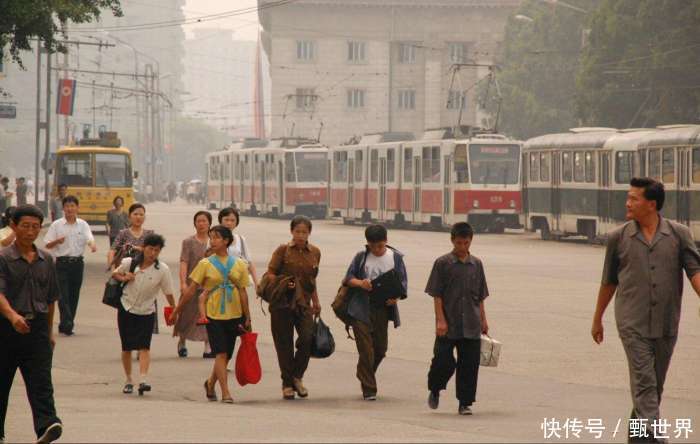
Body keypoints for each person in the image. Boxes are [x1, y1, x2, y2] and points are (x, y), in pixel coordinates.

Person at [592, 177, 700, 442]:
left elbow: (695, 273)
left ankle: (637, 439)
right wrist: (598, 319)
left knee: (653, 388)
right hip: (632, 324)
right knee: (645, 384)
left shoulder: (678, 234)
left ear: (651, 204)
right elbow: (609, 282)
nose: (627, 203)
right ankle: (658, 439)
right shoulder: (618, 238)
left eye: (633, 198)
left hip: (666, 323)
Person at [0, 205, 63, 443]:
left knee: (41, 381)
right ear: (14, 227)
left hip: (36, 329)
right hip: (6, 329)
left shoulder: (47, 260)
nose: (30, 231)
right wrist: (12, 316)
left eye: (35, 226)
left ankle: (48, 424)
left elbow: (50, 299)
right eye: (25, 226)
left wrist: (49, 331)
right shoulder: (3, 258)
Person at [172, 225, 251, 404]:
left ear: (226, 241)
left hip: (235, 313)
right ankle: (225, 392)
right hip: (213, 315)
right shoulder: (205, 263)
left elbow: (243, 291)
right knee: (221, 353)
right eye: (211, 237)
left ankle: (210, 383)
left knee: (226, 355)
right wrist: (177, 310)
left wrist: (248, 317)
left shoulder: (239, 264)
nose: (212, 241)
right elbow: (192, 290)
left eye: (216, 237)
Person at [425, 222, 490, 416]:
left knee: (469, 365)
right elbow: (437, 294)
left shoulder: (477, 264)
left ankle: (465, 402)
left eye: (466, 243)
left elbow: (480, 296)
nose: (463, 247)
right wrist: (440, 320)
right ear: (452, 240)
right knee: (442, 362)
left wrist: (483, 320)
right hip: (449, 323)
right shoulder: (442, 263)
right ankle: (435, 389)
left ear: (471, 241)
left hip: (471, 323)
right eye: (459, 243)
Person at [343, 224, 408, 401]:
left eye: (380, 246)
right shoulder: (361, 257)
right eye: (373, 246)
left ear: (386, 241)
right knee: (366, 350)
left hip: (383, 308)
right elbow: (348, 278)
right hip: (361, 308)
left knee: (380, 349)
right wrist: (360, 283)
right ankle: (369, 389)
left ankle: (364, 372)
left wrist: (397, 297)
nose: (377, 250)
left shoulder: (395, 257)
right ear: (368, 244)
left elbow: (402, 283)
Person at [112, 234, 175, 396]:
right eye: (150, 249)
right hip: (126, 308)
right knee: (126, 347)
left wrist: (174, 310)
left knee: (144, 347)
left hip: (147, 312)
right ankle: (128, 380)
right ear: (144, 247)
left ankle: (143, 380)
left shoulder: (162, 270)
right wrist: (125, 276)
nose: (152, 253)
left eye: (156, 250)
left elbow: (168, 292)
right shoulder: (129, 263)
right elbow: (115, 274)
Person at [266, 215, 321, 400]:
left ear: (309, 233)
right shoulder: (282, 250)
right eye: (297, 231)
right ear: (291, 232)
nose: (300, 235)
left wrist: (316, 301)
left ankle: (297, 376)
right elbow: (271, 275)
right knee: (284, 345)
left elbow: (312, 280)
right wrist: (285, 283)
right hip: (282, 304)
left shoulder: (315, 252)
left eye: (304, 232)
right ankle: (287, 384)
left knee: (307, 338)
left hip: (303, 304)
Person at [43, 196, 97, 336]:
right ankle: (67, 323)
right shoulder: (56, 225)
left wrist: (92, 245)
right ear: (63, 208)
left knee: (74, 295)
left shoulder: (83, 224)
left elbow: (89, 237)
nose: (70, 209)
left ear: (77, 208)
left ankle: (66, 323)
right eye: (67, 206)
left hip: (77, 264)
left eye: (73, 206)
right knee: (63, 295)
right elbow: (47, 244)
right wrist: (57, 241)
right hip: (61, 264)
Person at [174, 210, 213, 358]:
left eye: (204, 221)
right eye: (198, 221)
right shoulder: (188, 242)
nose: (201, 224)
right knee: (186, 314)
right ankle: (182, 341)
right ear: (195, 223)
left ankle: (208, 345)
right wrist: (183, 283)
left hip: (208, 285)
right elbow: (184, 262)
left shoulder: (214, 242)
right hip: (191, 284)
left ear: (210, 223)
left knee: (207, 315)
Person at [218, 207, 259, 288]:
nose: (229, 223)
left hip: (237, 284)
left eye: (232, 220)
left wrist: (256, 283)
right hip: (218, 284)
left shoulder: (240, 239)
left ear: (236, 223)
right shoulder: (213, 239)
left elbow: (249, 263)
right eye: (226, 220)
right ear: (220, 221)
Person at [108, 203, 153, 270]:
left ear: (144, 217)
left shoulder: (149, 234)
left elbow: (153, 252)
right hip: (124, 272)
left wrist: (135, 248)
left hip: (144, 271)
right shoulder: (123, 233)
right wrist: (113, 269)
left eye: (141, 214)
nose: (138, 217)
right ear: (129, 216)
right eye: (135, 214)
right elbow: (112, 251)